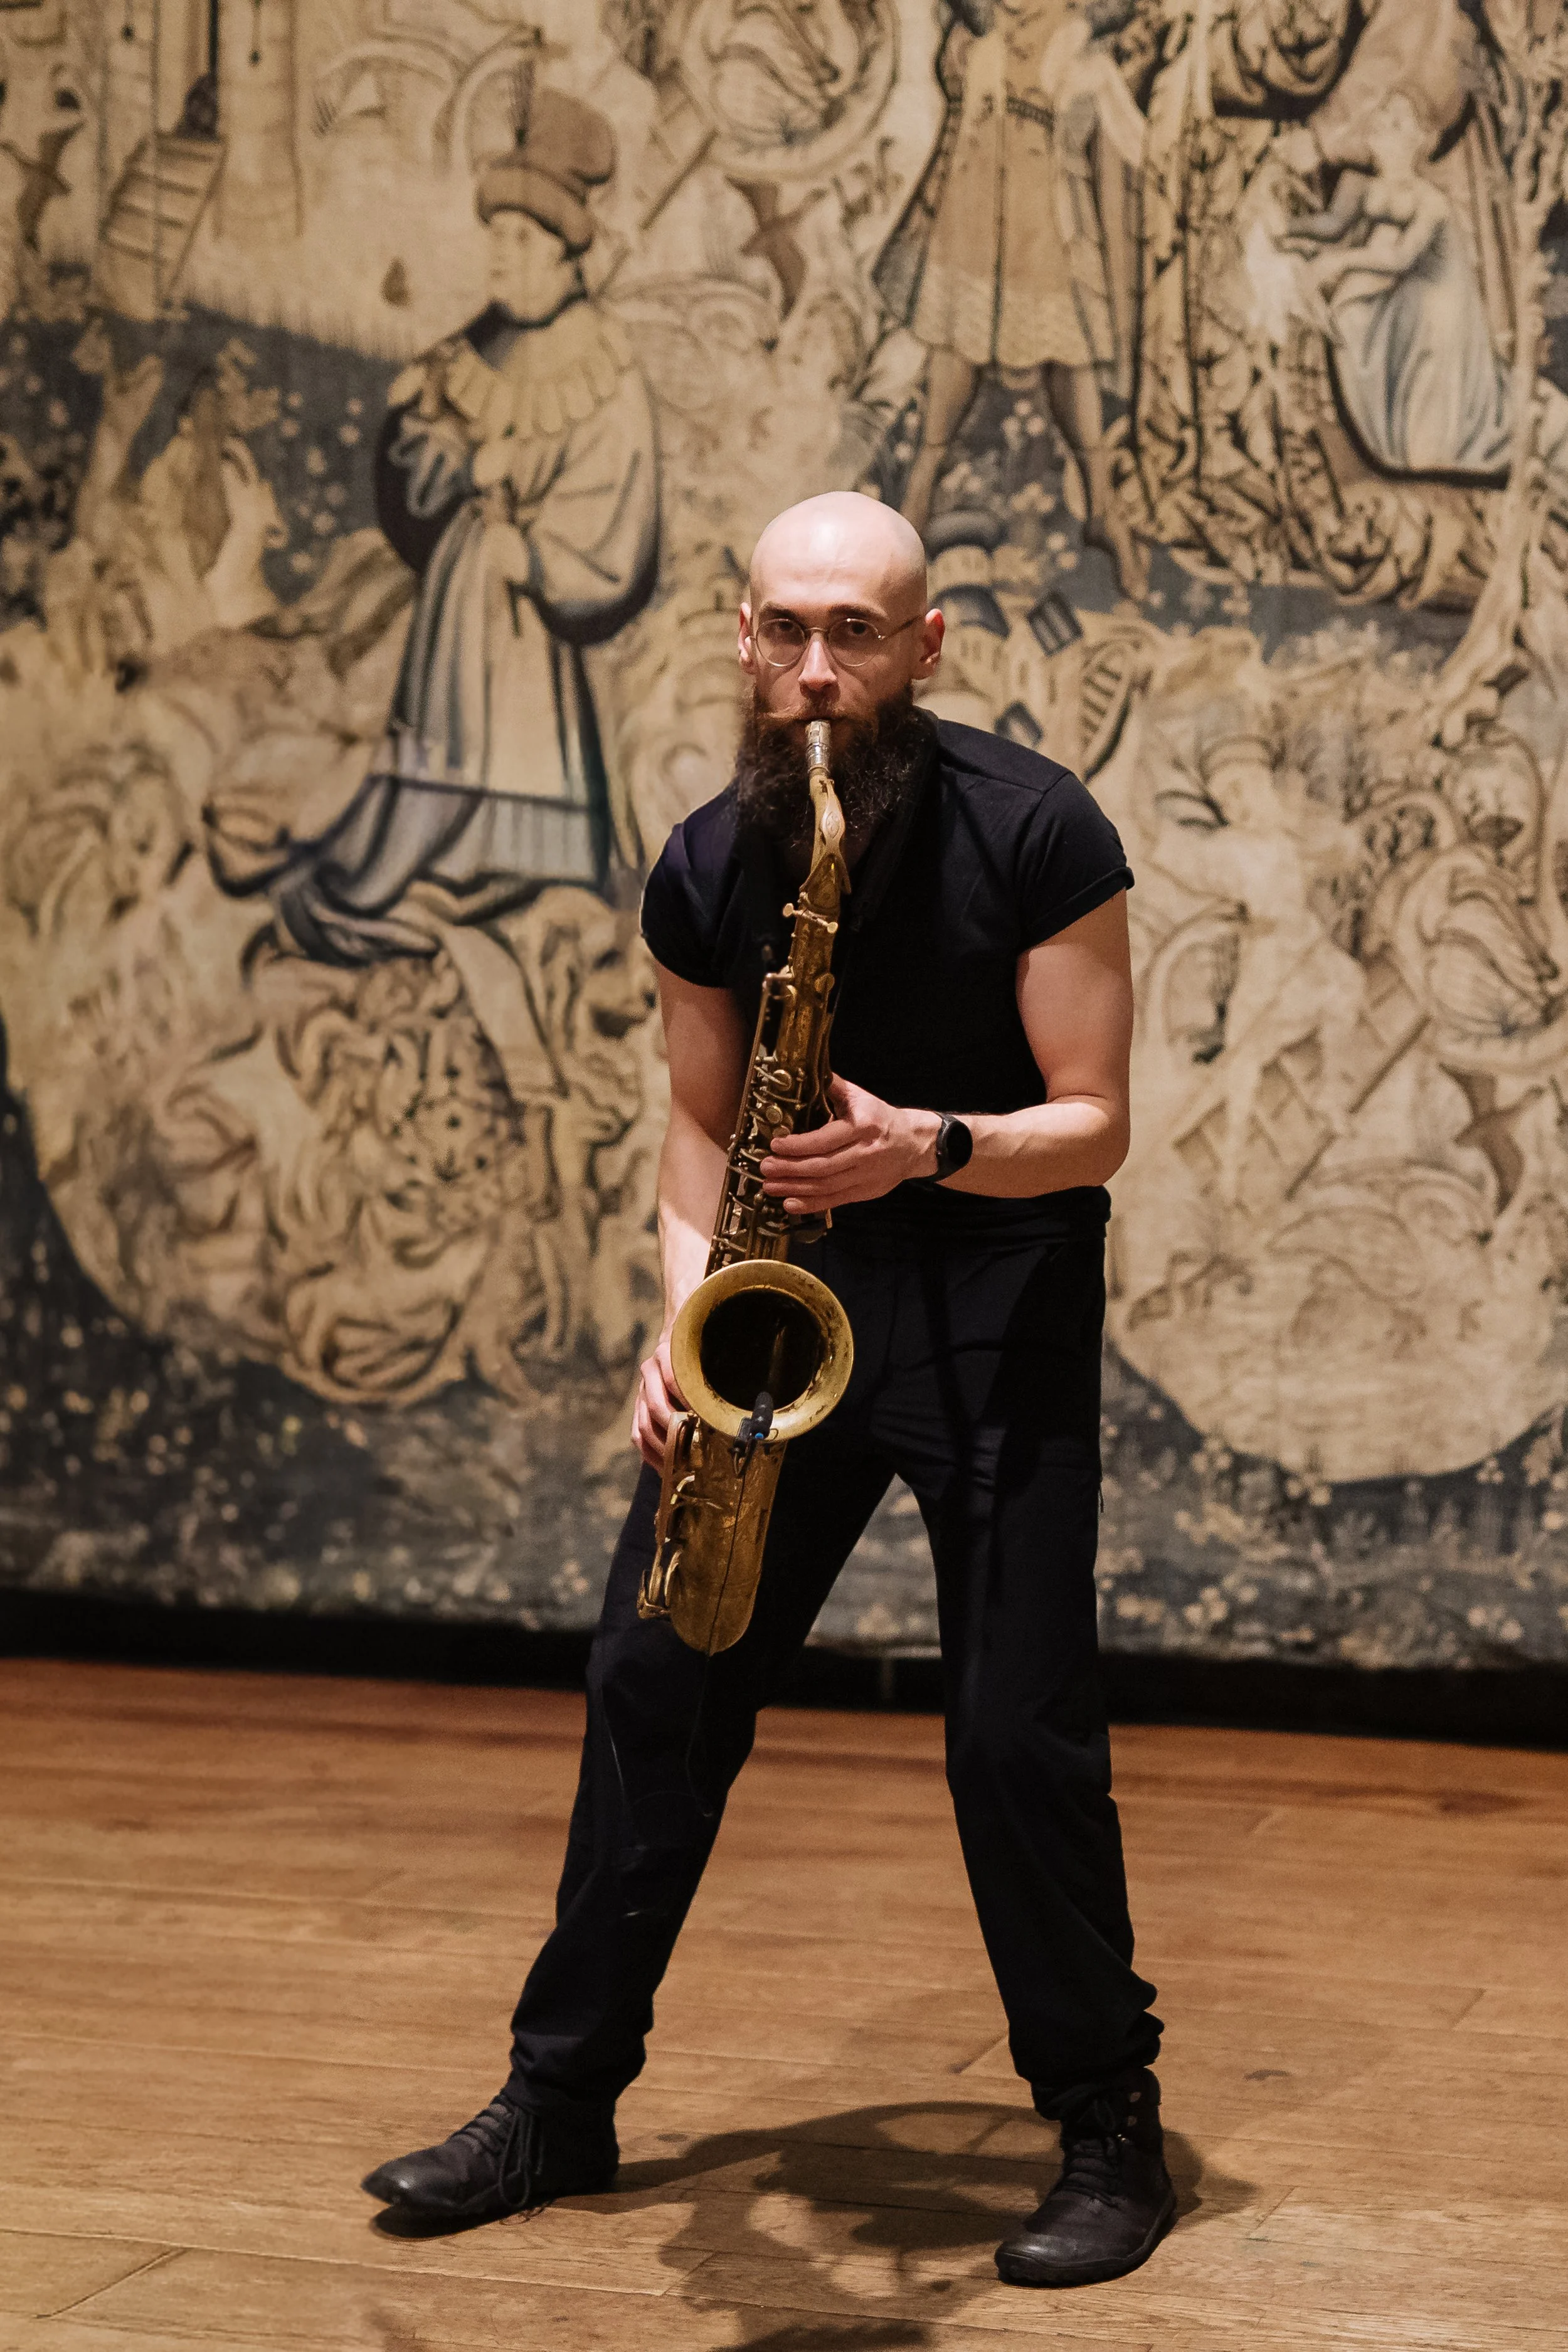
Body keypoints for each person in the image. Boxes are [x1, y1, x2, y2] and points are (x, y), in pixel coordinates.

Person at [361, 490, 1173, 2289]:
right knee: (655, 1669)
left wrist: (933, 1142)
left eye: (857, 634)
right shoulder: (707, 859)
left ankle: (1106, 2113)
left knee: (1008, 1726)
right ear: (742, 635)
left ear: (925, 643)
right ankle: (557, 2094)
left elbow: (1094, 1118)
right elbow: (698, 1127)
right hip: (784, 1305)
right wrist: (683, 1318)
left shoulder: (1040, 828)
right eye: (787, 630)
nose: (818, 670)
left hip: (990, 1292)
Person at [263, 86, 659, 965]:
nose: (499, 258)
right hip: (461, 600)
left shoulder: (605, 366)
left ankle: (507, 859)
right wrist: (427, 442)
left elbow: (615, 498)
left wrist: (541, 549)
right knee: (441, 733)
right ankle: (413, 857)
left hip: (524, 604)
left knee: (517, 735)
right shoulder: (475, 346)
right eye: (496, 237)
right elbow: (415, 463)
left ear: (563, 251)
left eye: (519, 239)